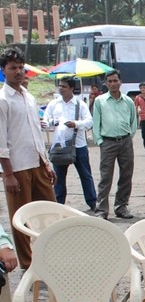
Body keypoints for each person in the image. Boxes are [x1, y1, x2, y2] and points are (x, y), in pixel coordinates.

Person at [0, 48, 56, 269]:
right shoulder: (3, 100)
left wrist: (47, 164)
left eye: (21, 67)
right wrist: (9, 174)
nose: (18, 72)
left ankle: (50, 258)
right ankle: (28, 264)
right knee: (20, 218)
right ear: (4, 71)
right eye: (13, 68)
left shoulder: (29, 97)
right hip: (18, 167)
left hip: (38, 163)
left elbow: (36, 135)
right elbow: (1, 140)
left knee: (49, 213)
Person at [43, 77, 97, 211]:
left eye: (64, 86)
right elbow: (45, 121)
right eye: (60, 86)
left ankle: (93, 203)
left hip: (78, 146)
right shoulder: (54, 104)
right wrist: (50, 123)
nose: (61, 88)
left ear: (72, 88)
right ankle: (58, 204)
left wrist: (76, 124)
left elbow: (90, 122)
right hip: (60, 146)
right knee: (59, 177)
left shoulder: (80, 105)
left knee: (85, 175)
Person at [92, 69, 137, 220]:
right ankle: (101, 210)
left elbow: (133, 121)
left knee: (126, 175)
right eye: (109, 81)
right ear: (106, 83)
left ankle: (121, 206)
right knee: (106, 177)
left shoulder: (129, 101)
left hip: (125, 142)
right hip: (107, 142)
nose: (113, 84)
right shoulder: (100, 101)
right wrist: (100, 141)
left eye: (115, 80)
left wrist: (129, 136)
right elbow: (96, 123)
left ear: (120, 82)